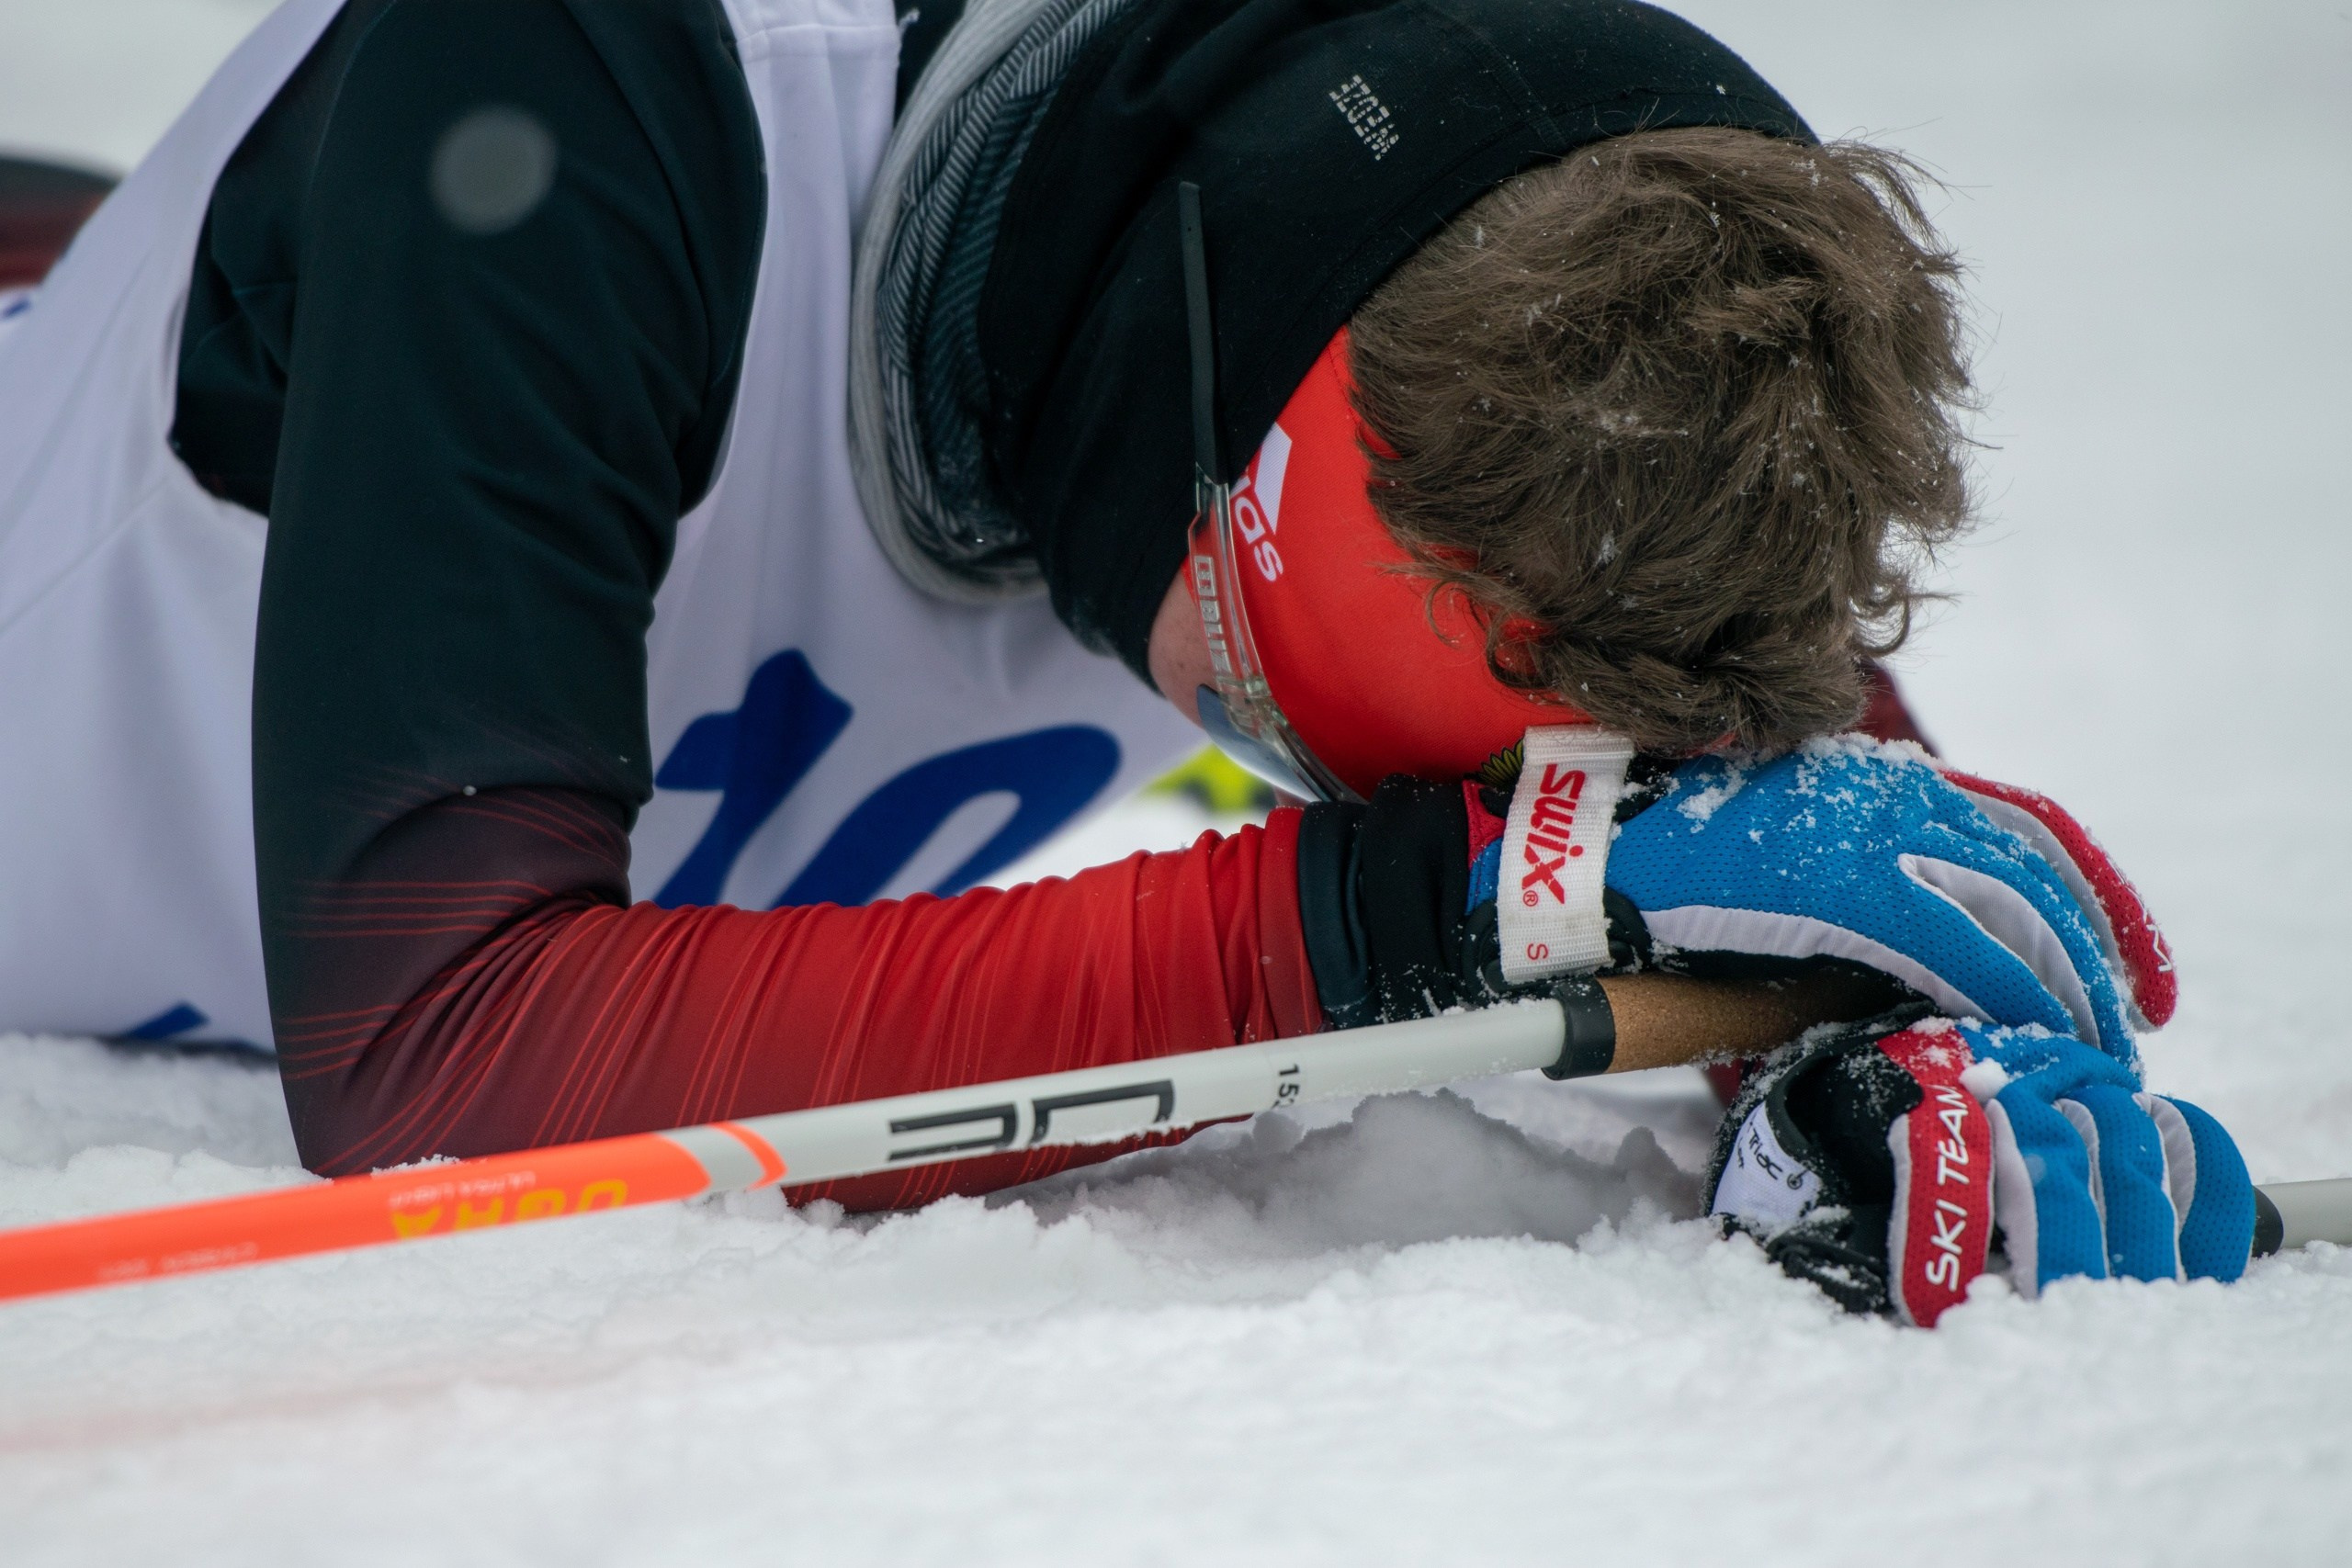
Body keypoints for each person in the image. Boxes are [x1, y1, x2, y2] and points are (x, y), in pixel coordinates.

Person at [0, 0, 2245, 1310]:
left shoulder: (1451, 337)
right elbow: (428, 1046)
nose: (1294, 781)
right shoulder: (590, 104)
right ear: (1151, 400)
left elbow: (1742, 841)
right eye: (1280, 730)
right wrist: (1387, 916)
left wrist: (1842, 1066)